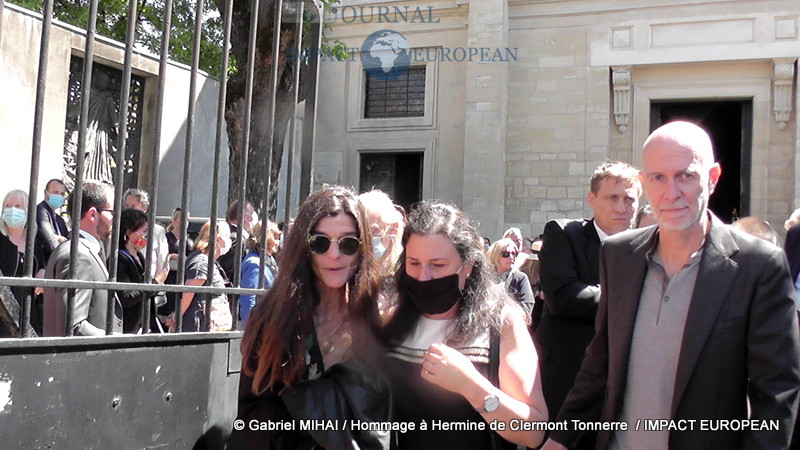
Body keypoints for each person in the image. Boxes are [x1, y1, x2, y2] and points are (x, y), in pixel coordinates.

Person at [543, 121, 800, 449]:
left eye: (686, 176)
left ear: (712, 178)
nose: (671, 193)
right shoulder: (619, 255)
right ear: (644, 184)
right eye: (658, 178)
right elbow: (600, 362)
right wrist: (560, 438)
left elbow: (776, 394)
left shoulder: (758, 266)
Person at [383, 200, 547, 449]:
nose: (423, 277)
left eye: (438, 265)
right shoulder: (390, 317)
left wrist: (471, 386)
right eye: (414, 263)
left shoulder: (501, 323)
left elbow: (532, 432)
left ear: (468, 265)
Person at [235, 186, 384, 449]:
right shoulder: (273, 318)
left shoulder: (379, 316)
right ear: (304, 247)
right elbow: (253, 414)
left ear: (362, 248)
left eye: (348, 243)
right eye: (320, 242)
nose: (334, 255)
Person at [534, 161, 640, 438]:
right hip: (567, 376)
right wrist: (633, 295)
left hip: (624, 382)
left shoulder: (649, 246)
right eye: (612, 198)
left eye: (629, 199)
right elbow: (563, 297)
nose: (621, 207)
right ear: (592, 199)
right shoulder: (564, 233)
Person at [43, 181, 123, 336]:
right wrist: (119, 339)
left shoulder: (85, 250)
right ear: (93, 214)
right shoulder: (78, 255)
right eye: (112, 212)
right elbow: (73, 327)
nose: (117, 219)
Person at [173, 220, 233, 332]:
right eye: (227, 236)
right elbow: (188, 293)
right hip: (198, 323)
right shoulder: (201, 260)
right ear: (217, 239)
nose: (230, 240)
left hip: (209, 323)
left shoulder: (210, 261)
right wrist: (175, 318)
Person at [0, 189, 46, 336]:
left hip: (29, 308)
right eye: (8, 205)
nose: (12, 210)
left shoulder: (34, 241)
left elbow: (42, 265)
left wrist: (42, 275)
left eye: (18, 206)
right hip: (3, 309)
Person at [114, 208, 160, 333]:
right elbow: (127, 297)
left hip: (144, 324)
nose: (146, 236)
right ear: (129, 232)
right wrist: (155, 283)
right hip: (128, 325)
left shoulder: (139, 256)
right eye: (143, 231)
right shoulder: (119, 259)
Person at [123, 188, 170, 285]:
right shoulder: (120, 229)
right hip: (126, 283)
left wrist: (156, 283)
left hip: (151, 284)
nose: (129, 209)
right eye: (127, 205)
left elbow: (162, 262)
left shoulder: (157, 231)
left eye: (133, 206)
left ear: (144, 208)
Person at [238, 220, 280, 328]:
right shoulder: (254, 263)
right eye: (275, 238)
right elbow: (249, 298)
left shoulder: (269, 259)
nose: (278, 242)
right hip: (259, 324)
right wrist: (250, 328)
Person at [357, 189, 405, 277]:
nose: (363, 239)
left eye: (371, 232)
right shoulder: (352, 273)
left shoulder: (406, 272)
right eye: (358, 232)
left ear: (393, 228)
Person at [487, 238, 535, 319]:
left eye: (514, 254)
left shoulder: (519, 278)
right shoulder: (486, 277)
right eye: (506, 254)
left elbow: (527, 307)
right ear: (496, 255)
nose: (511, 257)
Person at [217, 199, 257, 280]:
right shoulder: (236, 239)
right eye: (251, 214)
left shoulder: (233, 234)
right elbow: (229, 269)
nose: (253, 218)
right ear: (244, 217)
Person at [35, 178, 69, 267]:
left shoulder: (60, 220)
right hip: (43, 267)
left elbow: (68, 242)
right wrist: (58, 239)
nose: (59, 196)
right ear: (45, 193)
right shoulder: (40, 210)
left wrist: (58, 238)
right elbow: (50, 243)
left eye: (62, 194)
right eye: (55, 192)